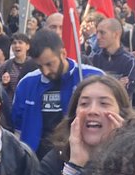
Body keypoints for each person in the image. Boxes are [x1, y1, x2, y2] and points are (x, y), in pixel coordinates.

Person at [12, 29, 102, 158]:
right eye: (40, 66)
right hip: (37, 160)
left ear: (63, 53)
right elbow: (18, 128)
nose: (46, 71)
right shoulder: (27, 83)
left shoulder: (92, 77)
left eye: (50, 64)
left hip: (81, 155)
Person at [88, 18, 135, 101]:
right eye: (97, 32)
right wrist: (117, 84)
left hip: (120, 112)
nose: (98, 37)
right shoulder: (93, 59)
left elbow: (124, 94)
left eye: (102, 33)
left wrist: (100, 85)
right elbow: (88, 90)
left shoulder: (131, 62)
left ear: (116, 34)